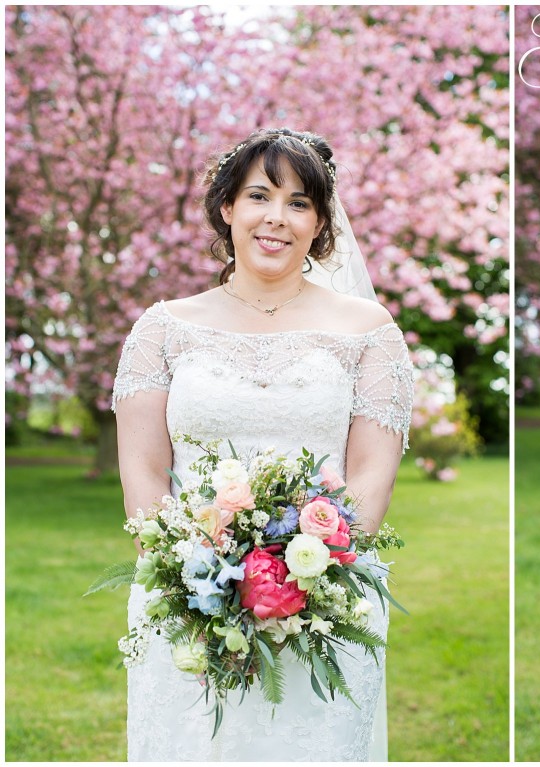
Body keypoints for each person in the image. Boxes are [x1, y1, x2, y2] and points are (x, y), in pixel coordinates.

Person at [112, 128, 413, 761]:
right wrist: (187, 576)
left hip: (327, 593)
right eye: (259, 196)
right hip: (189, 588)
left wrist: (311, 577)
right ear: (227, 209)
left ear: (321, 222)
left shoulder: (368, 330)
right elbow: (144, 468)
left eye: (300, 202)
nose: (277, 218)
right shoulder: (163, 328)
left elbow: (371, 474)